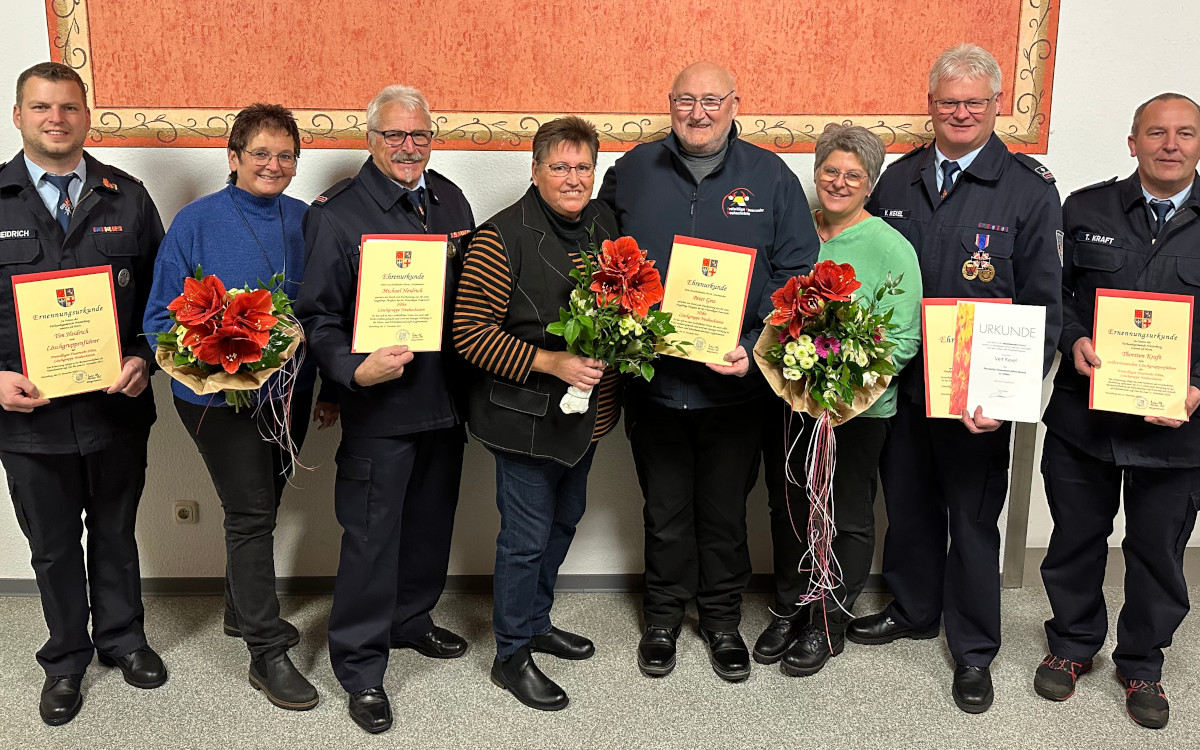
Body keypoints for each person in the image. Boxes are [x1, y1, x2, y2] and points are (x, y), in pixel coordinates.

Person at [850, 43, 1063, 714]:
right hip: (904, 386)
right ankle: (914, 610)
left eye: (974, 102)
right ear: (931, 105)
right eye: (949, 102)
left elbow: (1046, 306)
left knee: (973, 525)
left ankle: (973, 652)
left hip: (978, 399)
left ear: (998, 105)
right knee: (908, 510)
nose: (961, 113)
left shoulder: (1028, 190)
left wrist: (1007, 395)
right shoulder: (896, 181)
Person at [599, 61, 819, 682]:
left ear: (735, 104)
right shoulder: (633, 171)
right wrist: (621, 323)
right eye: (685, 101)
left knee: (724, 513)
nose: (698, 113)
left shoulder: (770, 177)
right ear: (669, 103)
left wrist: (755, 344)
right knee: (665, 510)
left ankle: (722, 621)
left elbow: (797, 276)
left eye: (711, 101)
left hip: (736, 387)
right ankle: (664, 619)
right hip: (657, 386)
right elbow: (597, 256)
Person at [143, 103, 338, 711]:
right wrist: (206, 366)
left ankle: (236, 609)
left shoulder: (308, 222)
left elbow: (326, 313)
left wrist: (330, 384)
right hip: (214, 401)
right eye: (261, 154)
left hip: (290, 395)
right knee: (251, 514)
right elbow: (157, 321)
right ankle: (266, 651)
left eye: (286, 156)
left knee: (267, 503)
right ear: (233, 158)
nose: (273, 165)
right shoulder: (195, 223)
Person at [295, 84, 474, 734]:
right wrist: (349, 371)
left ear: (432, 137)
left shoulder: (451, 199)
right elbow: (315, 315)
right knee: (371, 541)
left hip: (445, 404)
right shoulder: (337, 213)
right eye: (394, 135)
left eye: (419, 135)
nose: (408, 146)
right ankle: (361, 668)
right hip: (381, 407)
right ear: (370, 139)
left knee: (429, 527)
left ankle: (411, 620)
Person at [0, 62, 166, 726]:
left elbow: (165, 302)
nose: (56, 119)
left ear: (86, 116)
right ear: (19, 116)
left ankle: (123, 640)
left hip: (114, 408)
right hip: (27, 419)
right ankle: (66, 658)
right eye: (41, 107)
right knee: (52, 545)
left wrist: (145, 359)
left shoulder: (126, 195)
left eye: (69, 108)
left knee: (117, 533)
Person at [1034, 93, 1200, 730]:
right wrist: (1072, 338)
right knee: (1075, 540)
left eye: (1184, 133)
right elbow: (1058, 296)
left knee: (1158, 549)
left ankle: (1142, 663)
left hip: (1178, 429)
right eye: (1155, 133)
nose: (1170, 144)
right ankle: (1073, 645)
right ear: (1132, 143)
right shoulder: (1085, 208)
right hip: (1086, 420)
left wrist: (1198, 386)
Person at [453, 116, 620, 711]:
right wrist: (551, 363)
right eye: (559, 166)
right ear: (534, 170)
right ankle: (511, 653)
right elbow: (469, 335)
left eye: (582, 167)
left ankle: (537, 620)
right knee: (524, 539)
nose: (572, 178)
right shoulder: (500, 238)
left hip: (586, 419)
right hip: (521, 419)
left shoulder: (605, 224)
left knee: (564, 522)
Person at [756, 125, 922, 675]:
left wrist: (842, 394)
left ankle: (828, 620)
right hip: (791, 401)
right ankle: (791, 606)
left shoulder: (891, 247)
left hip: (859, 412)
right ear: (815, 171)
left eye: (853, 175)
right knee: (790, 508)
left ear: (871, 184)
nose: (839, 182)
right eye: (830, 170)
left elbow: (902, 341)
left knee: (845, 515)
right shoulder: (796, 232)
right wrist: (798, 383)